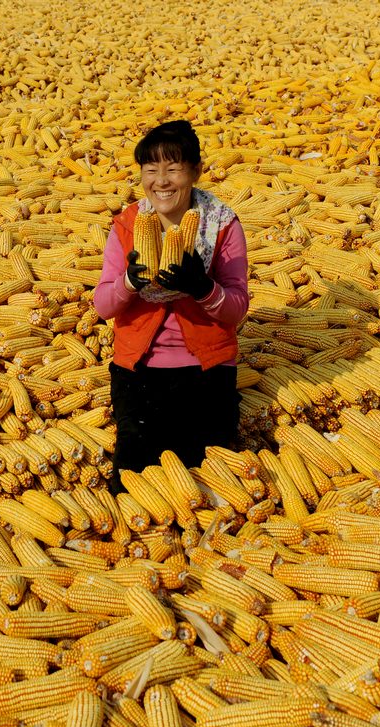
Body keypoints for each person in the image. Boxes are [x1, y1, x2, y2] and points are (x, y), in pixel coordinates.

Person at [93, 120, 250, 494]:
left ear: (195, 171)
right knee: (134, 477)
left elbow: (236, 308)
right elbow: (103, 305)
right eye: (151, 170)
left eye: (174, 169)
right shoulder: (127, 225)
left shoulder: (222, 224)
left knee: (206, 477)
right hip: (140, 370)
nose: (161, 181)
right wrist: (130, 281)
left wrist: (202, 288)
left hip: (207, 368)